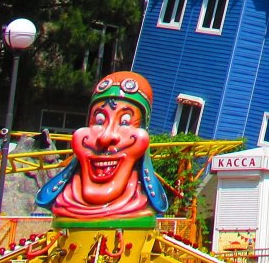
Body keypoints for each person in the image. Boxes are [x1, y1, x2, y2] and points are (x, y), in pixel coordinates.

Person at [36, 71, 169, 228]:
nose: (105, 137)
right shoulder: (64, 203)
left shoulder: (140, 205)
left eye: (125, 122)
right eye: (99, 121)